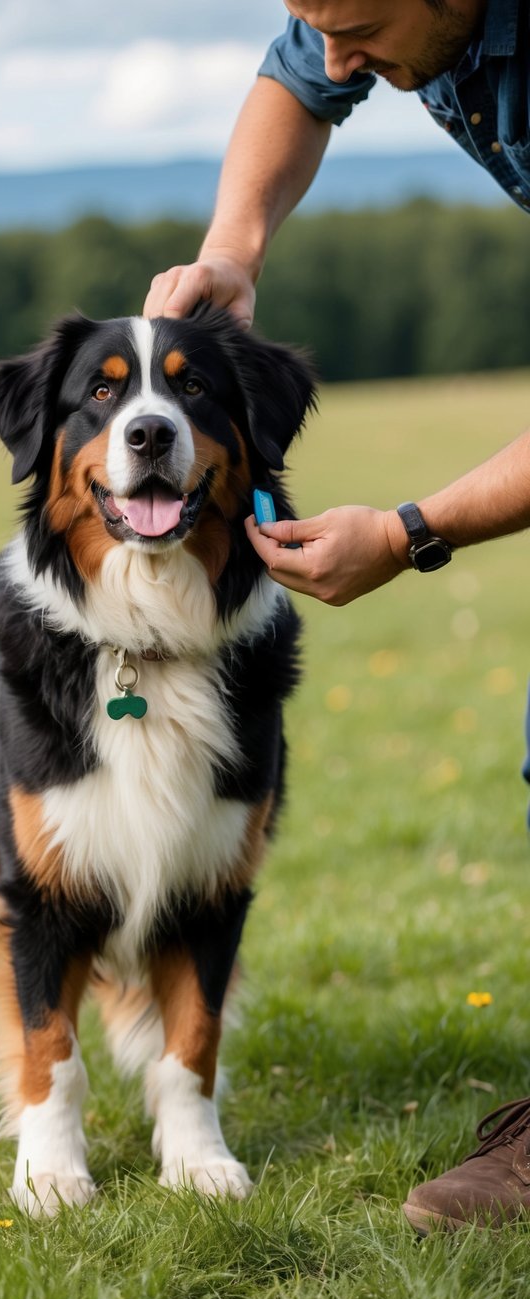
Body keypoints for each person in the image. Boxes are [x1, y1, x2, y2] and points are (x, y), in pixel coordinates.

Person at [145, 0, 530, 1234]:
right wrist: (235, 248)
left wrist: (415, 531)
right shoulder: (381, 12)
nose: (341, 57)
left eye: (362, 27)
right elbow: (300, 78)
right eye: (320, 18)